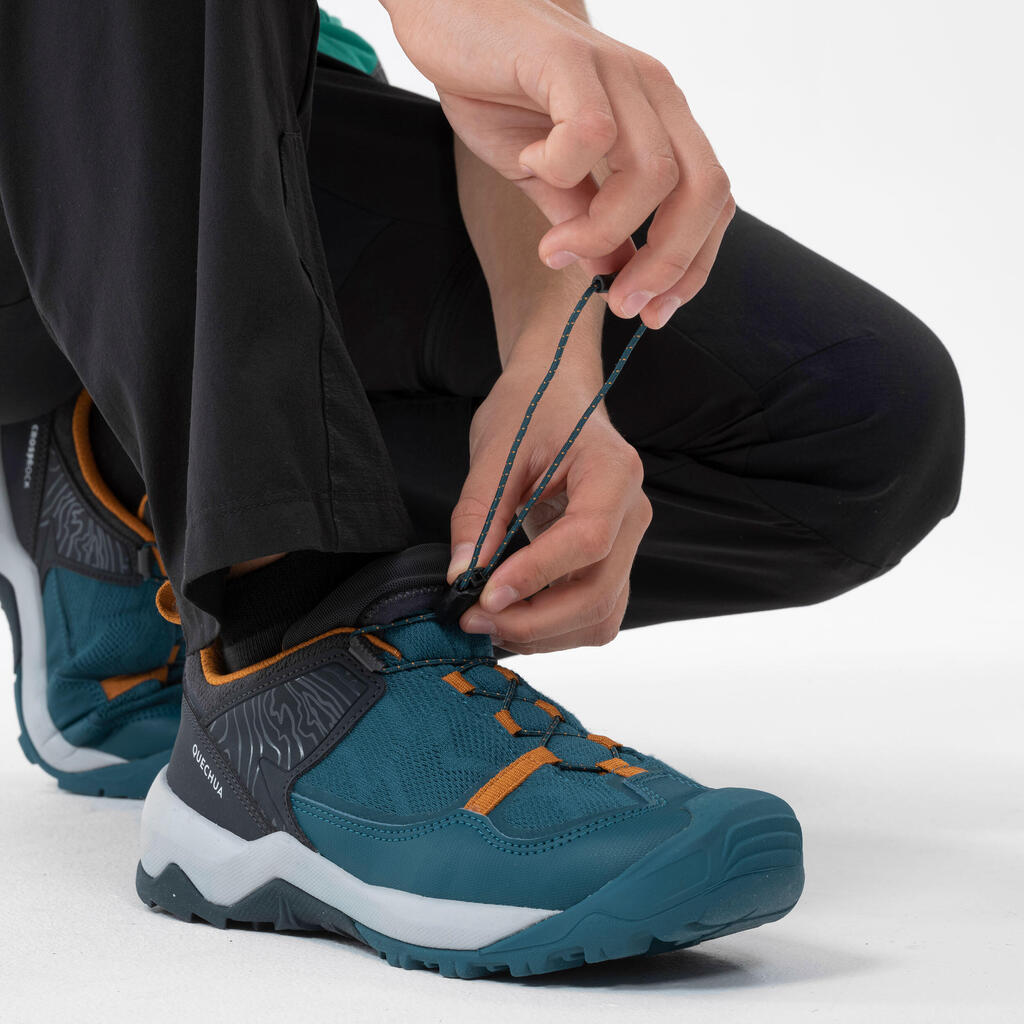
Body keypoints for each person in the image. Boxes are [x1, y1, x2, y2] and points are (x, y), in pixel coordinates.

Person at [0, 1, 963, 977]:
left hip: (234, 119)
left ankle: (110, 497)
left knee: (857, 418)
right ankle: (277, 647)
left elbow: (510, 84)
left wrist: (550, 365)